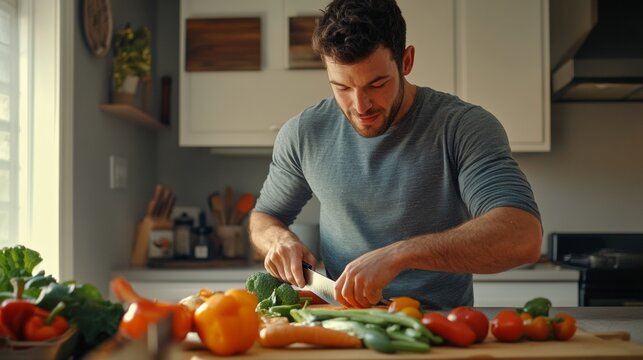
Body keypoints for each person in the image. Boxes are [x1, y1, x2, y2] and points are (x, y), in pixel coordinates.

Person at [249, 0, 542, 309]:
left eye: (377, 84)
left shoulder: (462, 127)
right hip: (344, 326)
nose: (361, 106)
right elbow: (264, 217)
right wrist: (278, 241)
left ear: (406, 60)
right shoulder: (303, 133)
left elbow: (522, 236)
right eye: (342, 88)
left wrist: (399, 255)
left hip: (441, 331)